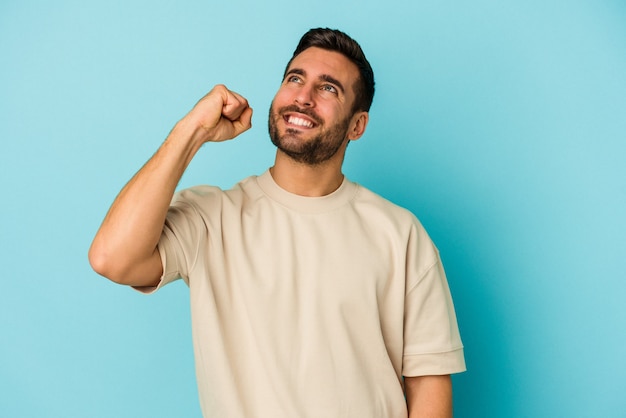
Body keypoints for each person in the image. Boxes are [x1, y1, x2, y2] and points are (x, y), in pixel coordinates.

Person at [89, 28, 465, 418]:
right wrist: (192, 131)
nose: (303, 97)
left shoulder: (400, 234)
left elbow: (429, 384)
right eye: (295, 79)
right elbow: (111, 258)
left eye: (329, 89)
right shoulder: (211, 217)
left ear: (357, 125)